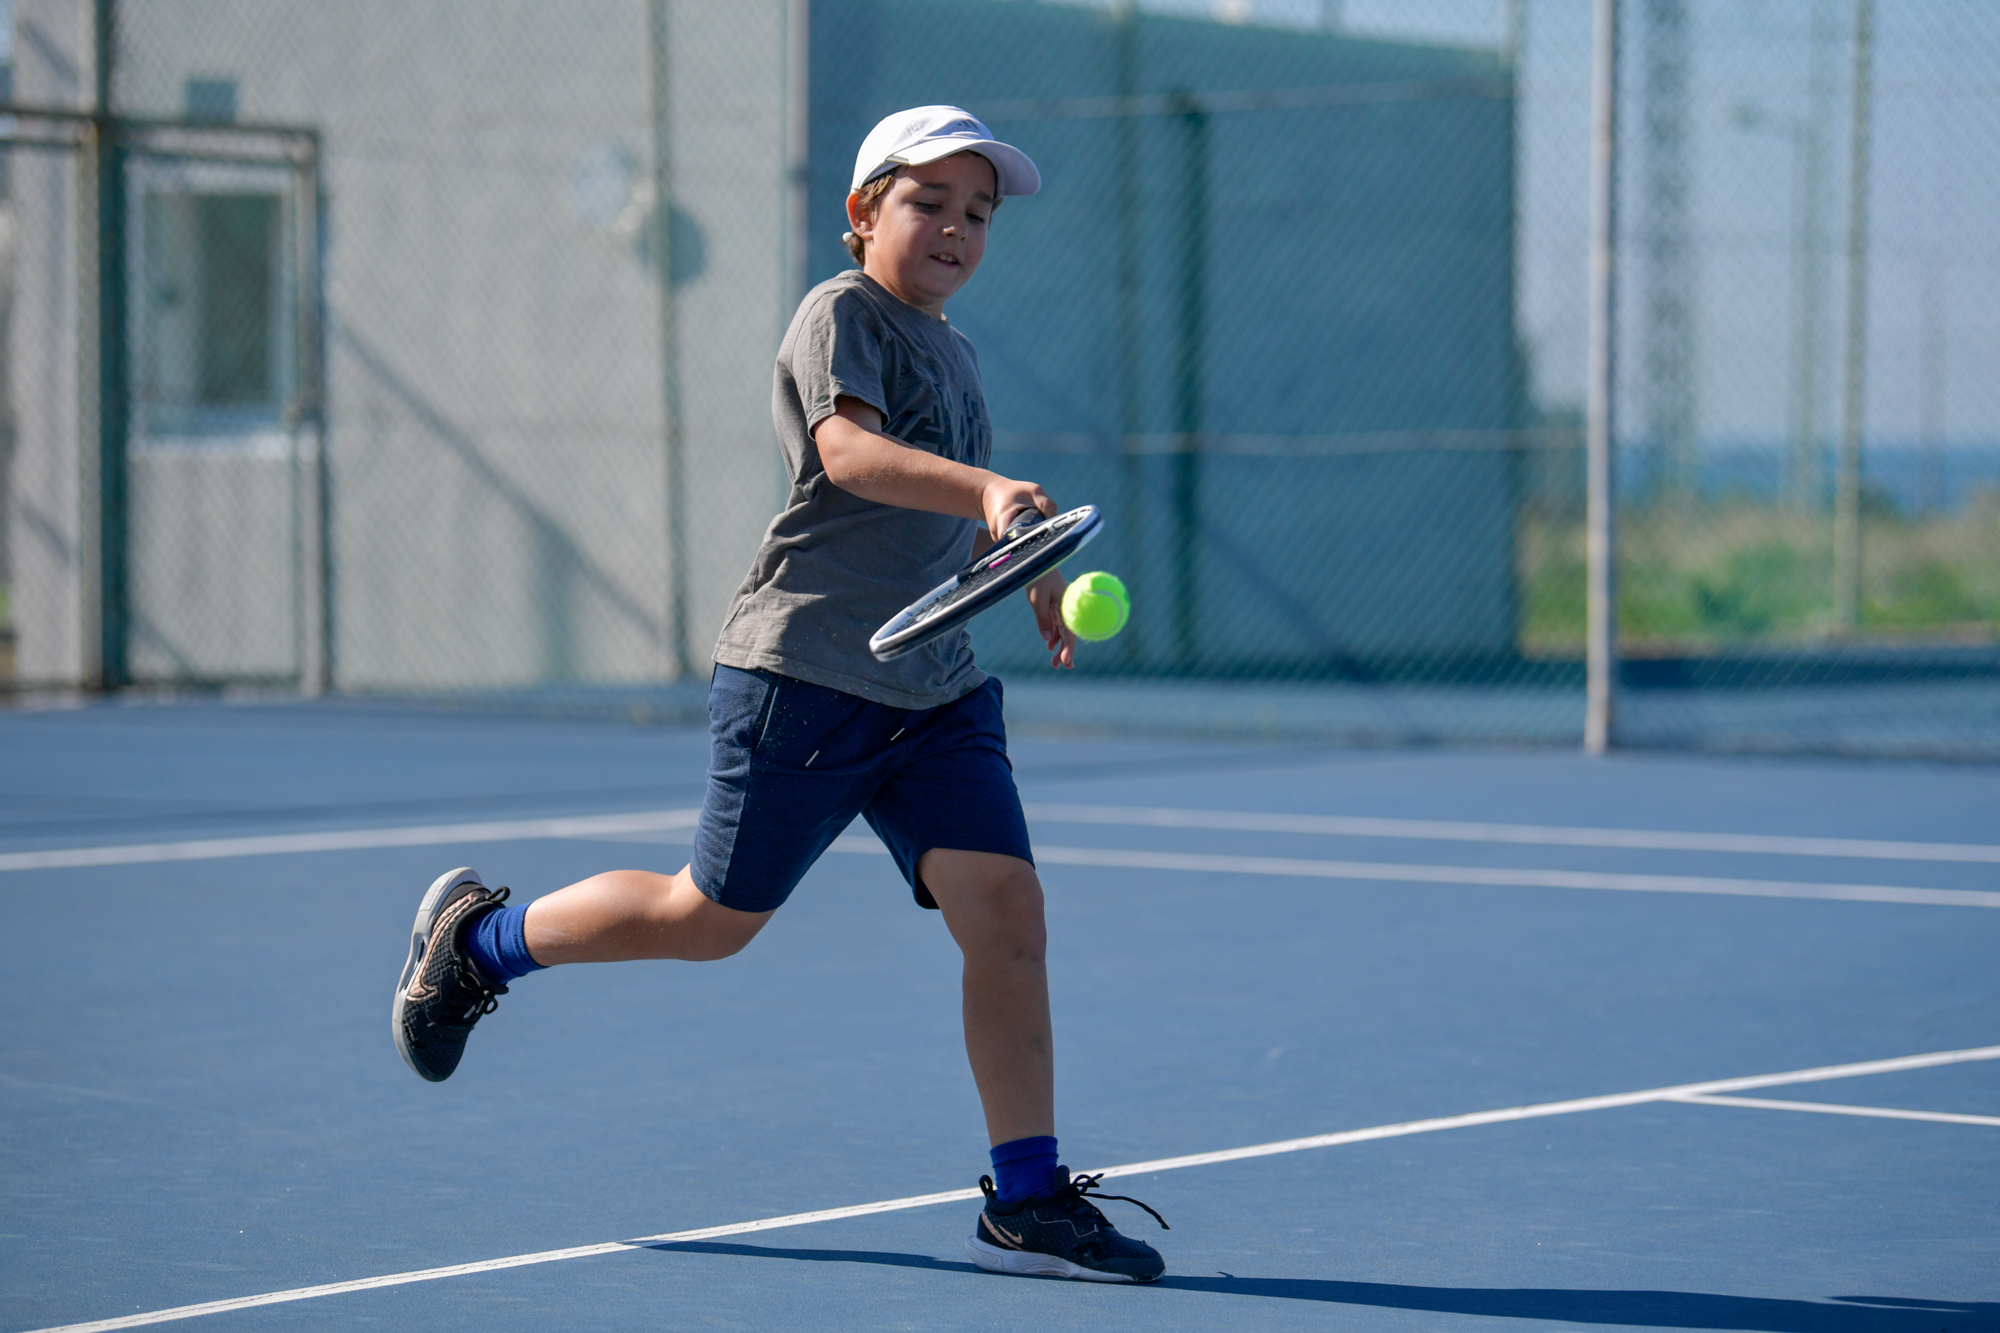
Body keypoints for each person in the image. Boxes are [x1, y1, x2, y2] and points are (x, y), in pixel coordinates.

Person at [391, 106, 1167, 1284]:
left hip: (934, 692)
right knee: (706, 922)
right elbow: (850, 457)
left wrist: (1027, 567)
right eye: (927, 203)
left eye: (977, 213)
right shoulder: (837, 314)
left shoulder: (954, 354)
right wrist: (986, 490)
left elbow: (937, 527)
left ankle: (1025, 1196)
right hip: (803, 673)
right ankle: (479, 944)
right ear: (861, 214)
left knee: (1008, 912)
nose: (955, 228)